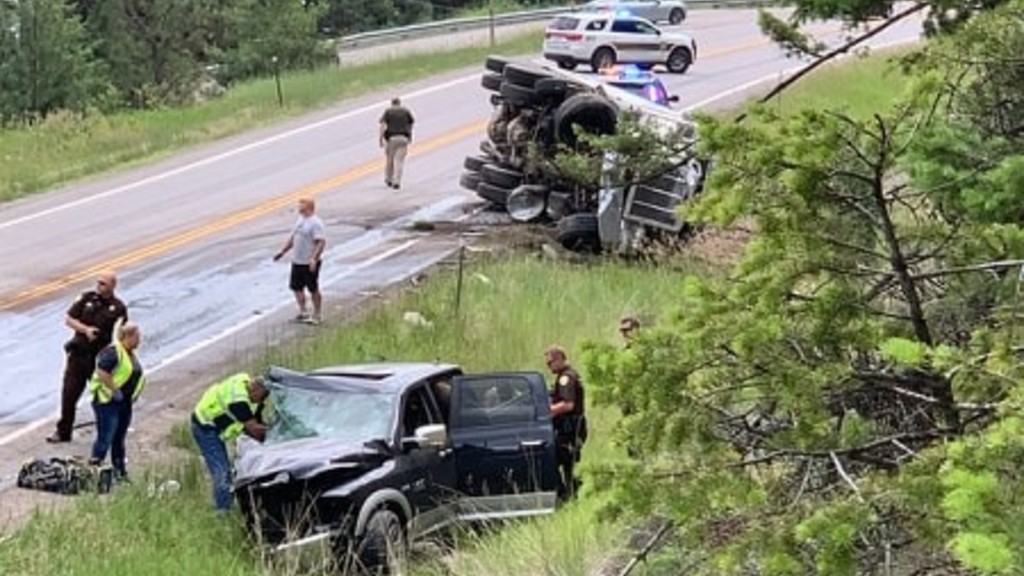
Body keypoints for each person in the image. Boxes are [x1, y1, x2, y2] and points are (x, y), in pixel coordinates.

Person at [48, 271, 129, 443]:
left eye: (103, 284)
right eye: (98, 282)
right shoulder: (87, 299)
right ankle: (63, 431)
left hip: (100, 359)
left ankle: (107, 431)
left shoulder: (118, 307)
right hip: (79, 355)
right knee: (69, 394)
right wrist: (85, 330)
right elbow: (69, 319)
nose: (99, 286)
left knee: (102, 397)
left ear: (112, 286)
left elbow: (122, 333)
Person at [191, 373, 270, 514]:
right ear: (256, 389)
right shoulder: (238, 401)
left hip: (216, 427)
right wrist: (277, 432)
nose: (263, 401)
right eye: (264, 396)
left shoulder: (246, 386)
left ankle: (227, 502)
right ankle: (223, 511)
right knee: (222, 471)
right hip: (205, 427)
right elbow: (254, 430)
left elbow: (257, 422)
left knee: (228, 468)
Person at [87, 320, 146, 481]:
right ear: (127, 336)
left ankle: (119, 471)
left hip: (124, 403)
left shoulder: (129, 354)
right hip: (108, 403)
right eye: (137, 337)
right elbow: (102, 371)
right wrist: (114, 390)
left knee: (119, 438)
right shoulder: (113, 352)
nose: (139, 340)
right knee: (106, 437)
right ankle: (94, 470)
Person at [273, 197, 327, 325]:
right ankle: (303, 312)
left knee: (313, 288)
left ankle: (318, 314)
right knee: (296, 287)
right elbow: (293, 238)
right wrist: (283, 251)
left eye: (302, 205)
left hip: (308, 262)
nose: (299, 207)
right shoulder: (300, 220)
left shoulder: (315, 223)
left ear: (309, 207)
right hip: (297, 260)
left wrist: (314, 258)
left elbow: (321, 242)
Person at [545, 345, 586, 501]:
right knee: (568, 464)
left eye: (550, 363)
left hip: (570, 429)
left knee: (560, 461)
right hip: (570, 428)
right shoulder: (566, 375)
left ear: (560, 359)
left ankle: (568, 495)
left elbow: (568, 404)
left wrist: (548, 412)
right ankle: (570, 495)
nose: (549, 366)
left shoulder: (566, 378)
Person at [379, 96, 414, 189]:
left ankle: (388, 178)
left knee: (390, 160)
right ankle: (397, 181)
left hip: (391, 138)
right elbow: (410, 124)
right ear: (399, 103)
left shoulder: (388, 111)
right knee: (399, 161)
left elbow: (382, 125)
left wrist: (381, 139)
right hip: (403, 138)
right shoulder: (406, 111)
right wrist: (410, 136)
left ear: (392, 103)